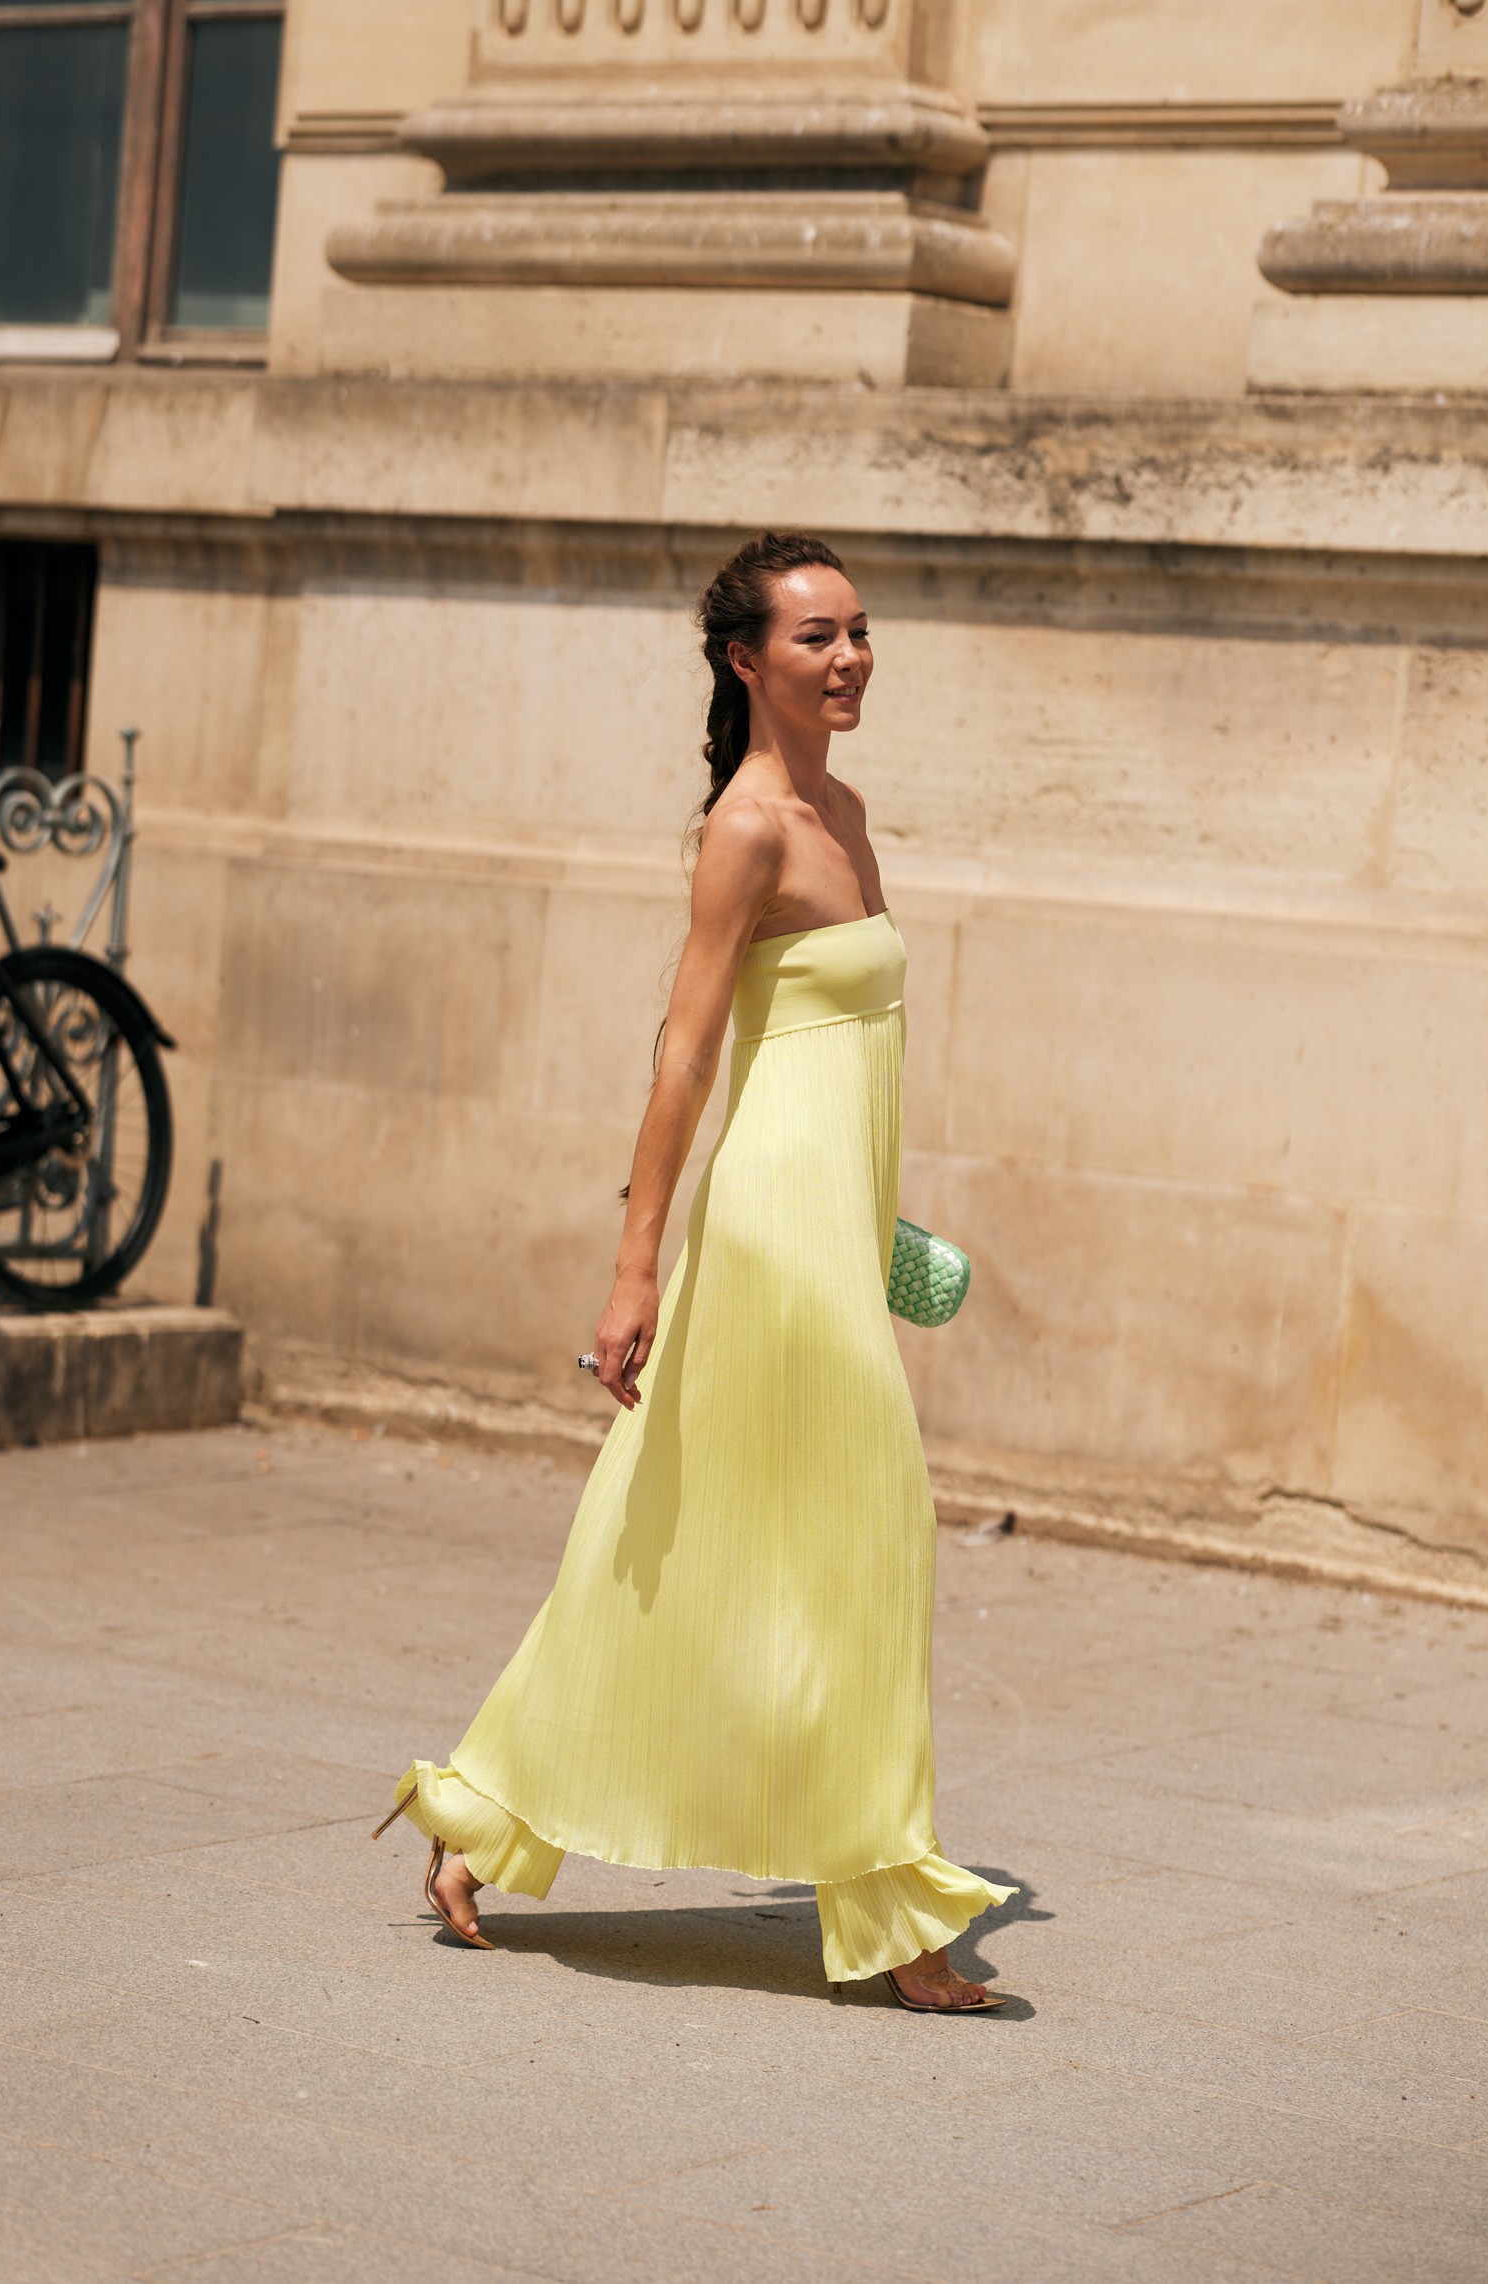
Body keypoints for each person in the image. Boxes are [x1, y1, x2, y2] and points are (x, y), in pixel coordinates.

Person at [374, 530, 1013, 2012]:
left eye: (859, 632)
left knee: (691, 1533)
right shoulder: (750, 829)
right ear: (746, 660)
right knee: (876, 1539)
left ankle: (486, 1817)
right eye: (814, 638)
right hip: (774, 1227)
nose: (848, 659)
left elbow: (853, 1048)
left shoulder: (845, 810)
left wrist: (881, 1222)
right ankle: (893, 1912)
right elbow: (687, 1050)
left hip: (832, 1220)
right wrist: (633, 1263)